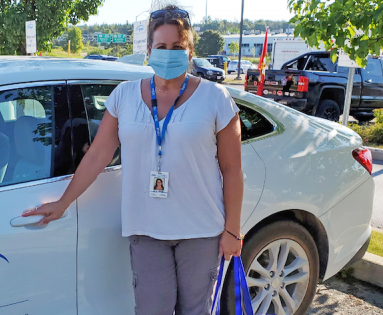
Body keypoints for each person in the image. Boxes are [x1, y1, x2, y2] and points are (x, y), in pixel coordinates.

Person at [23, 5, 244, 315]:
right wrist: (63, 202)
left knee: (196, 311)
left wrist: (232, 230)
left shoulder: (216, 98)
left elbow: (232, 170)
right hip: (146, 228)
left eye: (177, 47)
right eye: (162, 47)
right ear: (149, 50)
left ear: (190, 50)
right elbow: (98, 155)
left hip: (201, 230)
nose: (169, 54)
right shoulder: (124, 96)